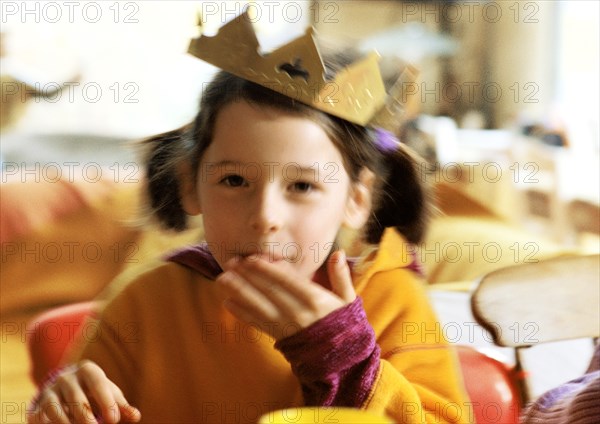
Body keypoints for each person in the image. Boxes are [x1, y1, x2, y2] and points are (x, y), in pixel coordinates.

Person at [28, 21, 472, 424]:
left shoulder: (392, 300)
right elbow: (79, 406)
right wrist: (62, 407)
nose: (264, 217)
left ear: (356, 199)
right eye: (234, 179)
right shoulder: (146, 303)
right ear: (190, 185)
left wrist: (342, 357)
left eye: (301, 187)